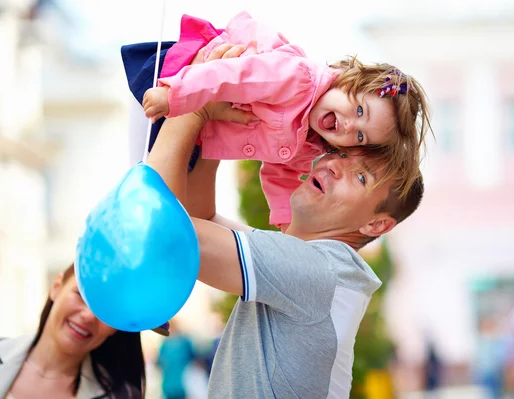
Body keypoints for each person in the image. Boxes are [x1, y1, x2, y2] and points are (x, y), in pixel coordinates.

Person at [139, 43, 426, 398]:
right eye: (338, 153)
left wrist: (193, 105)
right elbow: (200, 218)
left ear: (377, 225)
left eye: (361, 178)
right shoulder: (319, 272)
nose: (332, 164)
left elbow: (163, 231)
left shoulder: (315, 272)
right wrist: (216, 117)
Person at [124, 11, 431, 230]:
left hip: (199, 121)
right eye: (360, 110)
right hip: (183, 80)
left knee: (168, 200)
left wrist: (287, 226)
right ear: (346, 82)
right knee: (144, 179)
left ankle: (146, 267)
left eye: (361, 137)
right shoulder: (297, 78)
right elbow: (232, 75)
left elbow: (280, 177)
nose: (351, 125)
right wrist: (176, 94)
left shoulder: (307, 146)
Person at [0, 264, 148, 399]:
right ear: (56, 288)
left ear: (116, 327)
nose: (89, 316)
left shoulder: (120, 395)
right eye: (82, 295)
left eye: (107, 311)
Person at [155, 319, 195, 399]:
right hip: (181, 382)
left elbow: (159, 362)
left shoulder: (166, 343)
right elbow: (193, 357)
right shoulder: (184, 341)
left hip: (169, 383)